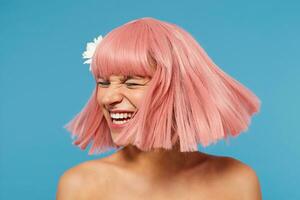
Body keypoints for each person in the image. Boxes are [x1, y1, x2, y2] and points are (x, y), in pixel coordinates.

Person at [56, 17, 262, 200]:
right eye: (103, 83)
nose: (108, 97)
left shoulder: (237, 181)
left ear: (179, 90)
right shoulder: (80, 186)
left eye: (132, 83)